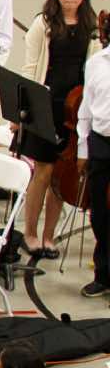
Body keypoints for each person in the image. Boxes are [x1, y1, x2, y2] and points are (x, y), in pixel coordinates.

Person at [20, 0, 101, 256]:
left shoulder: (92, 26)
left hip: (74, 110)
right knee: (43, 171)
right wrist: (24, 109)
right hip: (44, 107)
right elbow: (30, 69)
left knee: (61, 176)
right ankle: (30, 233)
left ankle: (49, 235)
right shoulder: (43, 24)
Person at [82, 28, 110, 299]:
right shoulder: (96, 63)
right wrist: (82, 148)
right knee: (99, 213)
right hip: (101, 141)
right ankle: (103, 275)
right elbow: (86, 108)